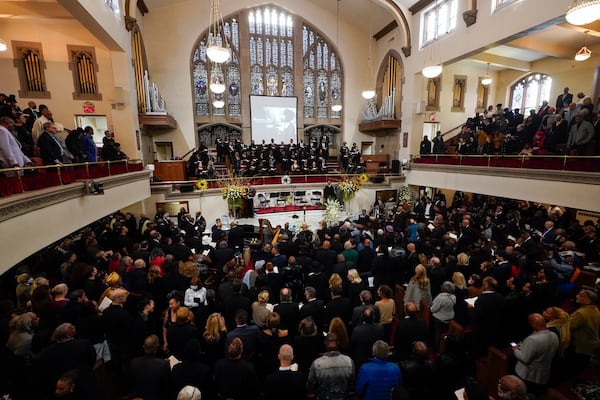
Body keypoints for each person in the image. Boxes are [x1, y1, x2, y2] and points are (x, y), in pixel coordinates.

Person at [512, 313, 559, 394]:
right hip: (543, 374)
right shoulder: (554, 335)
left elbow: (525, 359)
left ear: (534, 325)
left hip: (528, 375)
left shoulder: (532, 340)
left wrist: (516, 350)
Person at [307, 332, 355, 400]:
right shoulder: (348, 361)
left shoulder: (317, 363)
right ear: (338, 343)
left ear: (325, 343)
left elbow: (310, 385)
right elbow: (352, 384)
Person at [127, 334, 170, 400]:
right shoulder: (163, 365)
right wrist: (163, 363)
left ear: (143, 346)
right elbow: (166, 389)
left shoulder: (133, 362)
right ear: (157, 346)